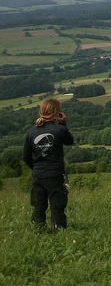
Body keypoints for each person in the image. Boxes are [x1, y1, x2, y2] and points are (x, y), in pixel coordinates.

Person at [22, 98, 74, 232]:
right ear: (56, 112)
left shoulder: (31, 132)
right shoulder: (59, 130)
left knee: (38, 206)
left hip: (38, 175)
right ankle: (59, 231)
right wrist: (63, 124)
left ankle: (38, 232)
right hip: (55, 174)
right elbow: (69, 141)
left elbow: (25, 156)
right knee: (57, 207)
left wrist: (35, 168)